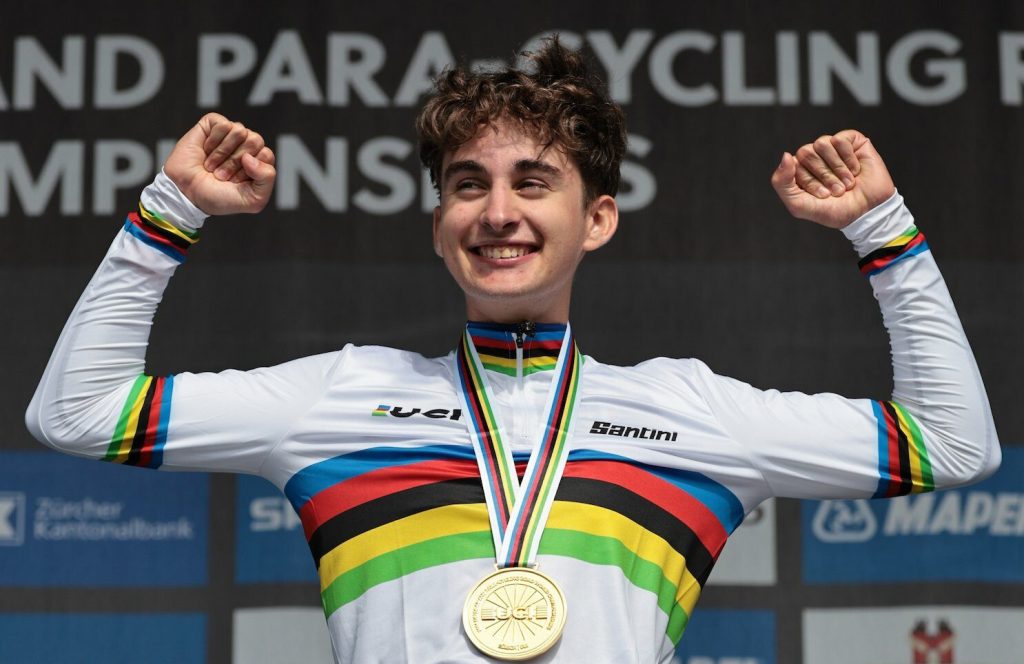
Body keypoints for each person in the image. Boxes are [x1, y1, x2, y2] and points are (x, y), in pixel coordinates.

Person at [26, 39, 999, 663]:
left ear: (598, 218)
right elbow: (77, 413)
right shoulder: (339, 396)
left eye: (533, 182)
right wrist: (171, 211)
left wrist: (883, 232)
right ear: (438, 222)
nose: (497, 212)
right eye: (467, 184)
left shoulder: (693, 412)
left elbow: (953, 444)